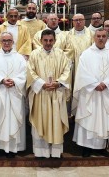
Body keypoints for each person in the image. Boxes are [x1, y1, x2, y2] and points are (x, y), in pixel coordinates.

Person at [72, 29, 109, 158]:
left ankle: (100, 147)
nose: (101, 38)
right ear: (94, 38)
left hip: (106, 92)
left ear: (107, 38)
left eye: (103, 36)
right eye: (98, 36)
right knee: (89, 117)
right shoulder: (86, 54)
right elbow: (82, 72)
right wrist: (94, 84)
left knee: (103, 118)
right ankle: (86, 147)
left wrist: (106, 84)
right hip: (90, 93)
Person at [27, 29, 71, 158]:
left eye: (51, 40)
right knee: (40, 121)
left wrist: (58, 83)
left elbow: (66, 71)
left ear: (55, 41)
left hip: (56, 93)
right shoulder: (34, 54)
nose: (48, 43)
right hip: (40, 94)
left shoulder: (61, 54)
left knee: (56, 122)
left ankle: (56, 152)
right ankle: (41, 152)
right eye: (45, 40)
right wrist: (41, 84)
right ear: (40, 40)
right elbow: (30, 72)